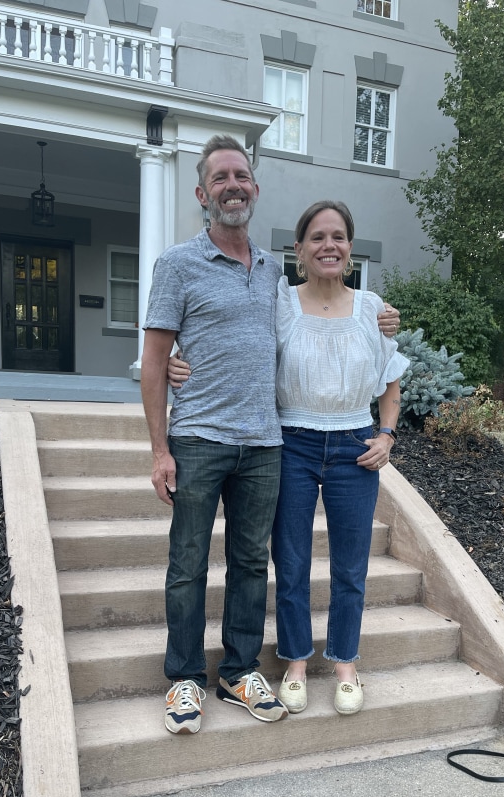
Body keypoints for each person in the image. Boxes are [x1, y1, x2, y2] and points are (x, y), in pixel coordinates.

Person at [142, 137, 400, 736]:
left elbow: (350, 335)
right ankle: (184, 676)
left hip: (264, 443)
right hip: (200, 438)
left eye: (242, 176)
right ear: (203, 194)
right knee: (187, 561)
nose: (233, 185)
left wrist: (386, 320)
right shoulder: (177, 264)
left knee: (252, 563)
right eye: (221, 178)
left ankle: (236, 669)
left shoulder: (269, 274)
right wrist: (160, 448)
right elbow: (156, 361)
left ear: (254, 191)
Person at [270, 200, 408, 716]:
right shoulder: (280, 304)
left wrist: (387, 435)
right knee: (292, 561)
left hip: (354, 447)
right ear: (300, 249)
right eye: (317, 237)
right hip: (292, 444)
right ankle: (298, 662)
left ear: (349, 249)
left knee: (351, 567)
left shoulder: (373, 307)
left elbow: (391, 380)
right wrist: (182, 363)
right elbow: (236, 343)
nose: (329, 245)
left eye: (339, 237)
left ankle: (346, 661)